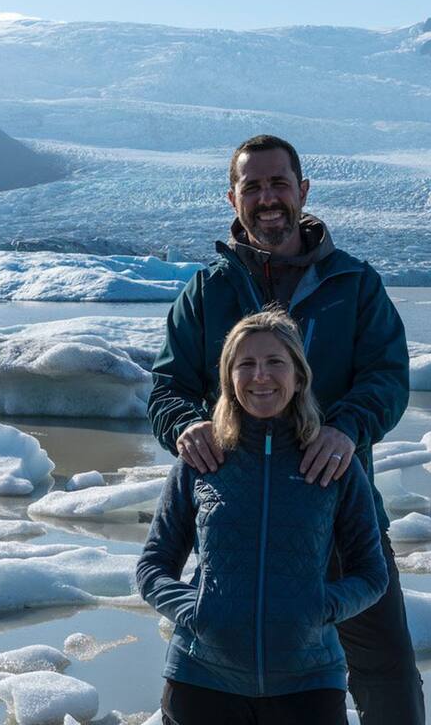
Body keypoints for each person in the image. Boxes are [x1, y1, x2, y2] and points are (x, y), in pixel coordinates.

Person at [149, 134, 425, 723]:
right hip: (238, 524)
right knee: (226, 670)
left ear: (302, 191)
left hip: (338, 507)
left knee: (384, 668)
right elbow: (168, 387)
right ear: (233, 198)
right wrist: (188, 426)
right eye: (253, 186)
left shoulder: (353, 284)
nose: (267, 197)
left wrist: (346, 429)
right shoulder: (207, 291)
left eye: (279, 183)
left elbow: (387, 377)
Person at [138, 310, 389, 724]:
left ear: (298, 374)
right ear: (229, 378)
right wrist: (198, 611)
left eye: (275, 362)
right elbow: (153, 567)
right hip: (202, 679)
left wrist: (318, 608)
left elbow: (371, 573)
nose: (261, 377)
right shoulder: (203, 457)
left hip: (308, 682)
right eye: (246, 365)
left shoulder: (332, 460)